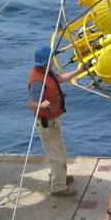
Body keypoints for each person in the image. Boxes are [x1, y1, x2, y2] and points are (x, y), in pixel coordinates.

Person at [28, 45, 86, 196]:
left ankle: (58, 177)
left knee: (58, 152)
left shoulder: (46, 72)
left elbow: (60, 78)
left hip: (53, 120)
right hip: (47, 124)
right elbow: (31, 104)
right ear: (47, 62)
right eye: (51, 59)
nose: (53, 61)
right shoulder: (37, 81)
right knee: (56, 155)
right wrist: (40, 104)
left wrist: (79, 71)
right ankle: (58, 187)